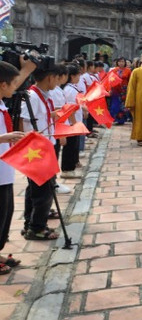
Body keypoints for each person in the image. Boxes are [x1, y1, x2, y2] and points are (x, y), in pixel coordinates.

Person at [0, 57, 35, 266]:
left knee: (5, 212)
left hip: (4, 170)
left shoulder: (3, 104)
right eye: (14, 83)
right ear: (3, 85)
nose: (17, 87)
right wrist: (4, 138)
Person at [21, 65, 62, 240]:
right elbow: (23, 121)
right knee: (43, 191)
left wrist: (53, 115)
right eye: (57, 77)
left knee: (36, 189)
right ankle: (36, 227)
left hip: (44, 147)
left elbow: (38, 117)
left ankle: (30, 223)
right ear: (50, 77)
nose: (58, 81)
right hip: (36, 150)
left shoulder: (42, 96)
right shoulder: (32, 96)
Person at [60, 64, 83, 174]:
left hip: (74, 120)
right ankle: (67, 168)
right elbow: (70, 109)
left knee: (74, 145)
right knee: (69, 146)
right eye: (78, 75)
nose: (79, 78)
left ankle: (72, 164)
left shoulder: (72, 88)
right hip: (71, 122)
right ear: (72, 76)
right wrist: (74, 123)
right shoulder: (70, 90)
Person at [108, 57, 132, 125]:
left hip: (124, 90)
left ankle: (121, 120)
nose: (121, 63)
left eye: (123, 61)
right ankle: (114, 118)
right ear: (117, 62)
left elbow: (130, 81)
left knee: (123, 106)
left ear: (125, 63)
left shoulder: (128, 71)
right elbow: (110, 80)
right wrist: (110, 89)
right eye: (120, 61)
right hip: (115, 90)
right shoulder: (114, 70)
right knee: (114, 105)